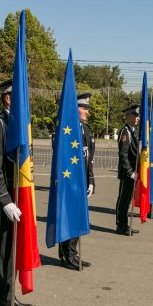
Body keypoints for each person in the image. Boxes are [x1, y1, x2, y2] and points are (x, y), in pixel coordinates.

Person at [0, 79, 33, 306]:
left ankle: (9, 294)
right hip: (5, 201)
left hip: (17, 198)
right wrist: (4, 200)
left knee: (13, 250)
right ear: (8, 98)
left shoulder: (16, 125)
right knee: (2, 249)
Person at [59, 93, 95, 269]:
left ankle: (71, 253)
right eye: (84, 108)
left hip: (81, 181)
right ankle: (68, 255)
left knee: (77, 217)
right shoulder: (66, 130)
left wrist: (91, 181)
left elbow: (89, 159)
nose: (87, 111)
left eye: (87, 108)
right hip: (69, 180)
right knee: (70, 218)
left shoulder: (85, 130)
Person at [115, 105, 140, 236]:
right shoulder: (125, 132)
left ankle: (125, 224)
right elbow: (123, 155)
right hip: (127, 173)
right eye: (135, 115)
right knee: (123, 200)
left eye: (138, 115)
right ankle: (121, 225)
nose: (137, 118)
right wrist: (130, 172)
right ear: (128, 116)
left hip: (133, 173)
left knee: (128, 199)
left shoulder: (132, 131)